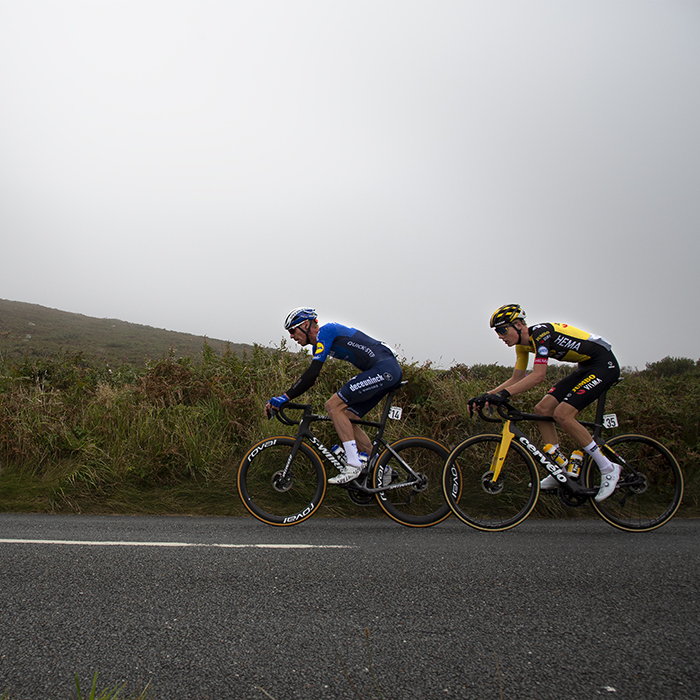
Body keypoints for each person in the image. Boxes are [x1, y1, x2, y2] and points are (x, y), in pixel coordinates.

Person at [469, 304, 622, 502]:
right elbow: (517, 378)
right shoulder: (522, 347)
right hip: (586, 367)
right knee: (542, 409)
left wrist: (503, 395)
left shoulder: (540, 334)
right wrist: (486, 395)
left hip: (604, 365)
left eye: (502, 330)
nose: (500, 336)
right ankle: (559, 470)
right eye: (497, 332)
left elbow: (538, 376)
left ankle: (608, 468)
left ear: (518, 325)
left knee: (562, 414)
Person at [265, 308, 402, 485]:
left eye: (292, 330)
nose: (291, 336)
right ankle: (380, 468)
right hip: (382, 370)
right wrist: (286, 397)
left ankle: (353, 464)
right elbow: (310, 376)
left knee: (333, 406)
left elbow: (312, 373)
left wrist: (285, 397)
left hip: (384, 369)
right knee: (348, 417)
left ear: (306, 325)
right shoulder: (318, 345)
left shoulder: (326, 331)